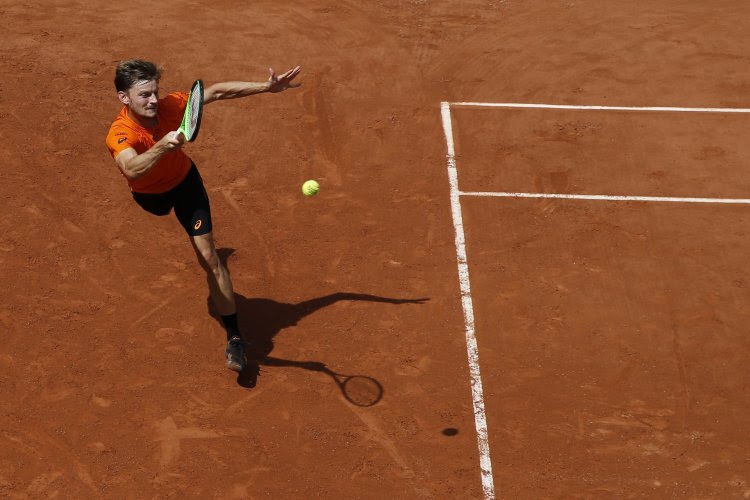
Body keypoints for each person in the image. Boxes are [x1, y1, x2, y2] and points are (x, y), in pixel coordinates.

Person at [105, 59, 301, 373]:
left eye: (155, 92)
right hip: (150, 196)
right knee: (159, 209)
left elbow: (217, 92)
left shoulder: (170, 106)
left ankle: (235, 337)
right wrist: (162, 147)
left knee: (209, 257)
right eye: (144, 95)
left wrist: (266, 87)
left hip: (185, 184)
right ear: (124, 98)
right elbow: (131, 168)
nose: (153, 100)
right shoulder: (120, 132)